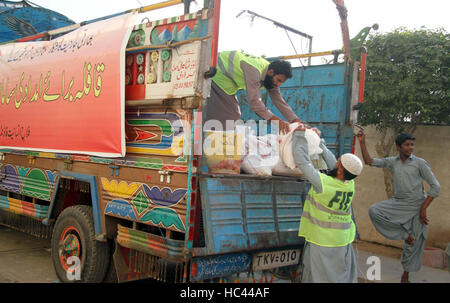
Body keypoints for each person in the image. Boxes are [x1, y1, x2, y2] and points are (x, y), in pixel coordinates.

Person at [357, 130, 440, 283]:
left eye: (412, 145)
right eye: (407, 145)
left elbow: (436, 188)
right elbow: (369, 161)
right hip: (398, 202)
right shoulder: (392, 162)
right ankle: (404, 235)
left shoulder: (419, 163)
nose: (410, 148)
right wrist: (362, 142)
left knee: (414, 244)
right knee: (374, 211)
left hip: (416, 205)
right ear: (398, 147)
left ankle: (405, 276)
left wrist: (423, 209)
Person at [293, 123, 363, 283]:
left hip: (323, 241)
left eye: (339, 162)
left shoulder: (323, 183)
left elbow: (302, 162)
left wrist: (299, 135)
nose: (335, 161)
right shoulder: (349, 184)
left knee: (319, 277)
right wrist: (319, 141)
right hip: (342, 240)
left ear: (340, 169)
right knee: (337, 276)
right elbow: (333, 163)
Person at [205, 51, 302, 133]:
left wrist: (296, 121)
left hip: (226, 81)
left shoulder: (269, 74)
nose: (278, 84)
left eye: (281, 82)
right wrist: (278, 122)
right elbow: (255, 103)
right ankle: (210, 146)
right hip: (216, 75)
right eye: (279, 80)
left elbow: (279, 101)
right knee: (229, 116)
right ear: (271, 72)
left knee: (230, 116)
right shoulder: (254, 71)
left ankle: (216, 144)